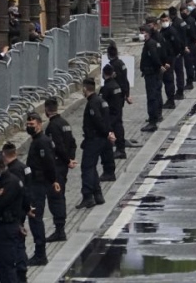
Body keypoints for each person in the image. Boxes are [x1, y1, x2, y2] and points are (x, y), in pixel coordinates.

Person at [0, 149, 27, 283]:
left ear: (0, 167)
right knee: (4, 265)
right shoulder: (5, 180)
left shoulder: (9, 182)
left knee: (7, 266)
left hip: (7, 227)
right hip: (7, 226)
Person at [23, 114, 58, 266]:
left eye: (32, 124)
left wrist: (53, 180)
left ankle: (40, 254)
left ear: (39, 124)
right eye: (28, 124)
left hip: (38, 184)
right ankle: (39, 252)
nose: (29, 126)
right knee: (34, 219)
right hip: (34, 184)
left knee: (36, 219)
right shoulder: (36, 141)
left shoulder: (42, 142)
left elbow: (49, 164)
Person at [77, 76, 114, 209]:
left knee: (86, 167)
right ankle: (98, 195)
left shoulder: (92, 103)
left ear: (85, 89)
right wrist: (109, 133)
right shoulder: (101, 100)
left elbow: (98, 121)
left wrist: (106, 133)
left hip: (94, 139)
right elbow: (107, 119)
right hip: (102, 139)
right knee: (92, 167)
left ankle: (88, 196)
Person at [41, 99, 72, 242]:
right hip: (63, 166)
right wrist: (71, 159)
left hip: (57, 166)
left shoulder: (52, 127)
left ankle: (60, 230)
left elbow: (57, 147)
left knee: (56, 197)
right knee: (60, 196)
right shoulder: (65, 123)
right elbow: (73, 143)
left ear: (47, 110)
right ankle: (60, 229)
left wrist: (66, 160)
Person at [139, 19, 169, 132]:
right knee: (155, 94)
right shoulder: (152, 43)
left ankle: (153, 121)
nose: (141, 35)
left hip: (151, 73)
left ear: (147, 33)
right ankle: (155, 116)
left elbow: (155, 57)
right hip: (152, 73)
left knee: (152, 97)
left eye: (142, 33)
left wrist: (159, 66)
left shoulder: (150, 44)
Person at [106, 43, 132, 153]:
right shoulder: (121, 63)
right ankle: (119, 143)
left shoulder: (113, 66)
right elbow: (125, 80)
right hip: (120, 96)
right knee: (118, 120)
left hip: (115, 97)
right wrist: (127, 94)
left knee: (115, 122)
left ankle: (119, 145)